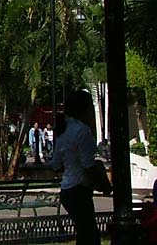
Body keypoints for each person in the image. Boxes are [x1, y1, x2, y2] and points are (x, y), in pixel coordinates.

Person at [51, 90, 111, 245]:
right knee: (90, 235)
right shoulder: (82, 131)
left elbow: (56, 164)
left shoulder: (63, 130)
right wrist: (103, 184)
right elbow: (88, 165)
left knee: (84, 232)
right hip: (79, 189)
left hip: (67, 189)